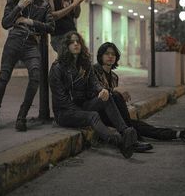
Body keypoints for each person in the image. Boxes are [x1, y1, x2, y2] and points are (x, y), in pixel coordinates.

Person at [49, 31, 139, 159]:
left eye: (78, 41)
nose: (76, 44)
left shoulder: (85, 64)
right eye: (72, 42)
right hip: (65, 112)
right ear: (66, 46)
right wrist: (80, 112)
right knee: (93, 115)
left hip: (82, 105)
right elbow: (61, 99)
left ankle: (125, 131)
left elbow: (94, 83)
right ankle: (118, 142)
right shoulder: (57, 68)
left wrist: (102, 90)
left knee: (107, 96)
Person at [93, 42, 185, 145]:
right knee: (122, 106)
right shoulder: (94, 70)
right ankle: (134, 138)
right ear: (101, 56)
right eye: (107, 54)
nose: (110, 56)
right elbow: (98, 92)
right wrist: (117, 94)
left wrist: (116, 94)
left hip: (113, 114)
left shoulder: (114, 77)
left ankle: (179, 134)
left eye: (113, 54)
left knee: (139, 125)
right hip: (99, 112)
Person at [0, 0, 55, 132]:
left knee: (36, 76)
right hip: (14, 41)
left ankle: (21, 116)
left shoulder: (44, 4)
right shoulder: (14, 1)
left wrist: (30, 21)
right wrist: (18, 7)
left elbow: (51, 27)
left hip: (32, 44)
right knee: (3, 77)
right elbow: (5, 23)